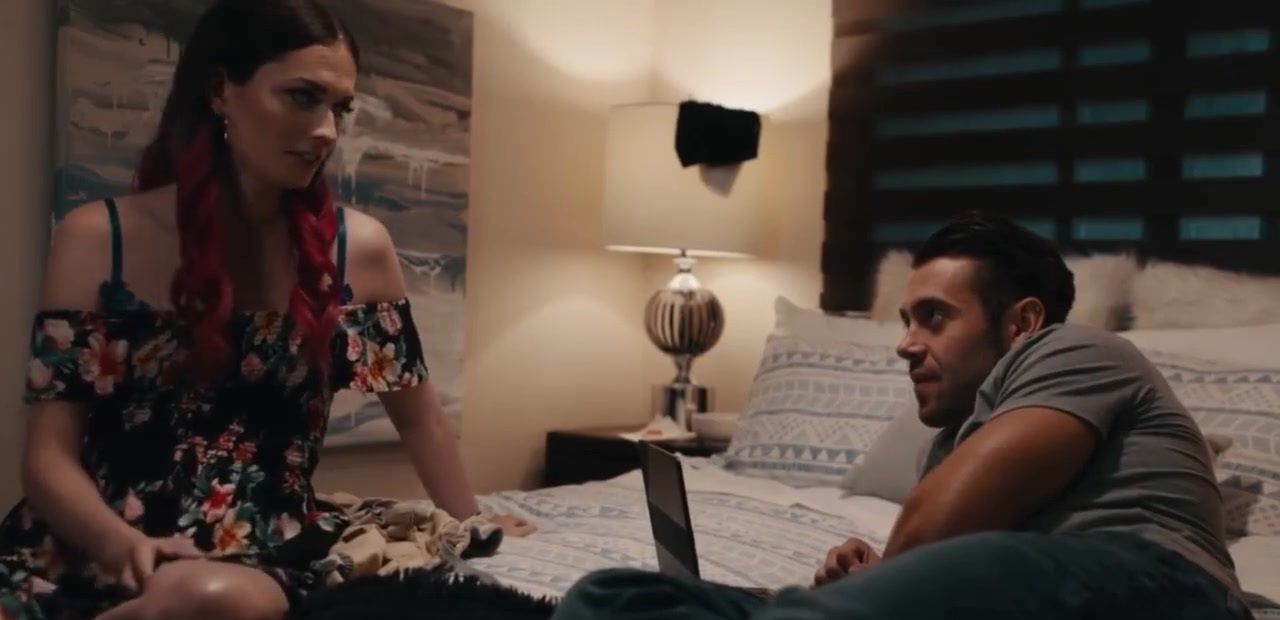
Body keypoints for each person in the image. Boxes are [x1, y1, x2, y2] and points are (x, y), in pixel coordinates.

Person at [0, 2, 532, 619]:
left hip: (257, 555)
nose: (327, 131)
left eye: (340, 108)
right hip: (89, 544)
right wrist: (124, 547)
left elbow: (419, 420)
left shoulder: (357, 249)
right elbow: (47, 457)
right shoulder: (98, 238)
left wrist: (472, 521)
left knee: (211, 597)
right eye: (303, 97)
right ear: (220, 90)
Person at [549, 212, 1255, 620]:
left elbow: (950, 534)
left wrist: (892, 570)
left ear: (1022, 323)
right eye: (906, 319)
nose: (905, 343)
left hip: (1159, 587)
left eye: (934, 318)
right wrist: (883, 572)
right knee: (611, 598)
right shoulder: (949, 444)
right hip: (1013, 595)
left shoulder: (1077, 350)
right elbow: (944, 558)